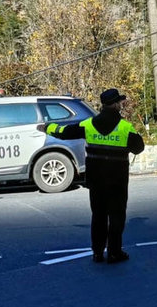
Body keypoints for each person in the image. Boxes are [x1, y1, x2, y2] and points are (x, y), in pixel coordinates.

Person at [37, 88, 144, 264]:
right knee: (116, 216)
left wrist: (47, 127)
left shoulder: (88, 124)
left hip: (96, 180)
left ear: (103, 105)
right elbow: (139, 148)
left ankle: (97, 253)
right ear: (116, 104)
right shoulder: (125, 127)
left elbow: (64, 132)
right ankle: (114, 253)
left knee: (99, 215)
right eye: (120, 102)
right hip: (117, 180)